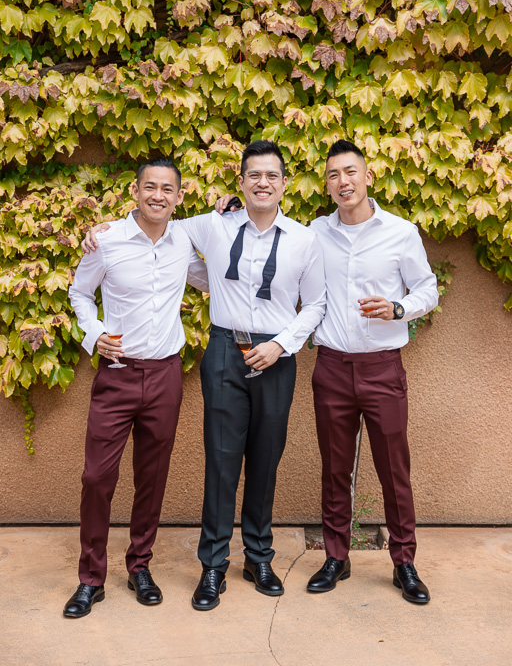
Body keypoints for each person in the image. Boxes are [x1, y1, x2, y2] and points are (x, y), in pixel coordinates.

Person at [84, 140, 326, 611]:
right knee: (220, 461)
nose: (262, 183)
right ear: (239, 182)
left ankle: (258, 556)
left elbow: (315, 303)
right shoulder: (211, 224)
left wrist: (280, 345)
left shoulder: (304, 238)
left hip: (276, 352)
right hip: (223, 349)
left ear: (283, 183)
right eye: (252, 175)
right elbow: (154, 224)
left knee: (265, 458)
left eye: (271, 176)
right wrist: (102, 230)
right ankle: (213, 566)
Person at [64, 158, 208, 618]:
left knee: (152, 476)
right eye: (151, 187)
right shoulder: (104, 241)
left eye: (168, 189)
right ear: (135, 191)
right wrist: (93, 335)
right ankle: (91, 578)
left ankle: (139, 566)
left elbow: (224, 246)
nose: (158, 196)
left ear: (179, 196)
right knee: (96, 478)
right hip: (117, 374)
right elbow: (78, 294)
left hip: (165, 375)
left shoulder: (184, 239)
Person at [306, 139, 438, 604]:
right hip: (332, 368)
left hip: (383, 368)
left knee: (393, 470)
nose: (343, 182)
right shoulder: (315, 233)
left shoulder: (400, 232)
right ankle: (336, 557)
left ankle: (404, 562)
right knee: (334, 469)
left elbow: (427, 289)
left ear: (368, 177)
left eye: (350, 172)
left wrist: (399, 307)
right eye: (333, 176)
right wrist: (227, 210)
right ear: (327, 185)